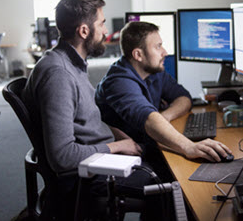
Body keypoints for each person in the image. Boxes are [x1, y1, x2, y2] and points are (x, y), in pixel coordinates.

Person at [22, 0, 160, 220]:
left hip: (98, 161)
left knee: (160, 157)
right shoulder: (59, 75)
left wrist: (115, 134)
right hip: (88, 178)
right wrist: (117, 146)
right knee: (170, 185)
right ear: (84, 31)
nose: (106, 31)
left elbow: (82, 118)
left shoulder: (71, 64)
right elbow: (63, 156)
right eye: (102, 24)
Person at [95, 21, 232, 179]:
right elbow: (148, 118)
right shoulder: (118, 81)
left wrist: (165, 117)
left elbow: (184, 97)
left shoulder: (153, 71)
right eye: (158, 46)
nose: (165, 52)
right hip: (128, 159)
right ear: (138, 55)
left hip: (150, 147)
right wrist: (189, 146)